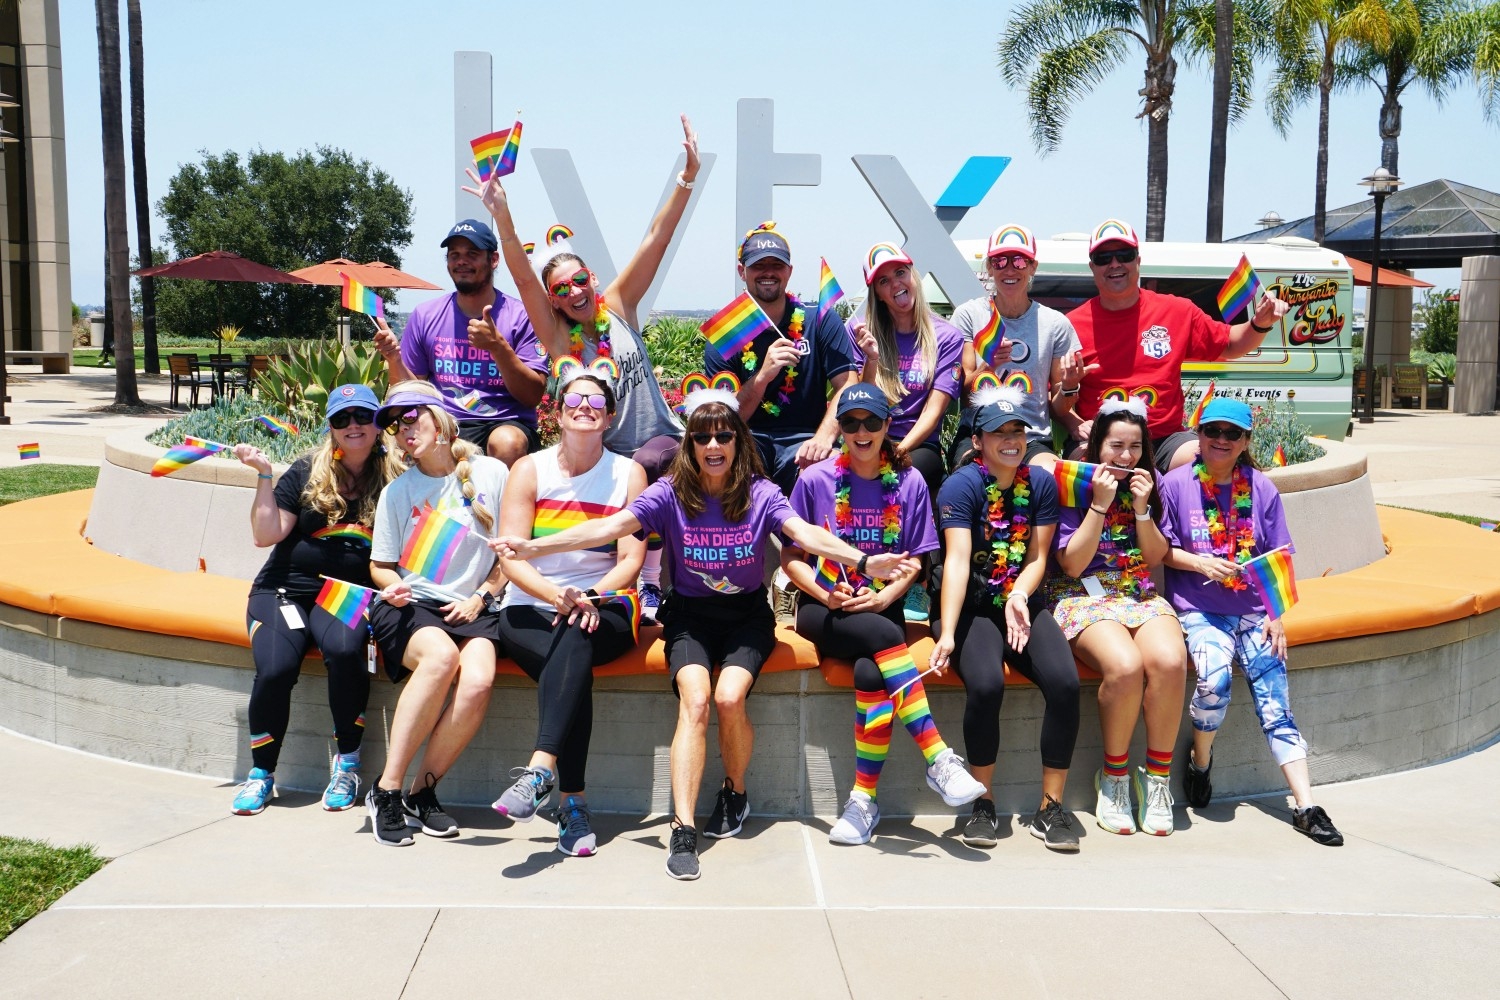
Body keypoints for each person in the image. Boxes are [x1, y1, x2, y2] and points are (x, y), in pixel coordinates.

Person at [489, 382, 918, 881]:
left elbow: (803, 534)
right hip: (689, 615)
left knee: (730, 697)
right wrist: (534, 548)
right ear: (690, 445)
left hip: (745, 618)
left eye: (722, 436)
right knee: (695, 699)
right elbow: (608, 528)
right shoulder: (670, 492)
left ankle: (735, 791)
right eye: (702, 438)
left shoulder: (760, 492)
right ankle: (683, 828)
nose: (713, 446)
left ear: (737, 441)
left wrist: (864, 559)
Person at [468, 114, 699, 622]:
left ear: (591, 277)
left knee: (660, 460)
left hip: (659, 437)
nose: (574, 292)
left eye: (579, 280)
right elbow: (523, 276)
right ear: (553, 300)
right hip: (606, 451)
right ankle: (643, 581)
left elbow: (656, 241)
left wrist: (687, 178)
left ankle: (658, 580)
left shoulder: (619, 305)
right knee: (640, 471)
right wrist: (501, 214)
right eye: (562, 289)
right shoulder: (556, 337)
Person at [783, 384, 985, 845]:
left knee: (872, 677)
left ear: (886, 427)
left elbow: (915, 560)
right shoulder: (816, 480)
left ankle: (862, 802)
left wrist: (886, 592)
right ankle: (937, 757)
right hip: (823, 608)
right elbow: (791, 557)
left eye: (871, 422)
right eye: (849, 422)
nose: (860, 431)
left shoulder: (910, 482)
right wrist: (824, 592)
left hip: (882, 608)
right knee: (878, 636)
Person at [1158, 398, 1343, 845]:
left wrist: (1277, 616)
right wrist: (1200, 563)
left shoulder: (1261, 489)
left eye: (1232, 434)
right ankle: (1201, 761)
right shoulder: (1175, 484)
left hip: (1255, 612)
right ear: (1198, 435)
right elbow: (1160, 548)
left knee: (1276, 705)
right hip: (1198, 609)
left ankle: (1305, 806)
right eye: (1213, 431)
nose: (1221, 440)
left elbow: (1277, 557)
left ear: (1245, 442)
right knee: (1213, 683)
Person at [491, 360, 648, 857]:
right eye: (574, 401)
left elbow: (632, 559)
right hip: (532, 604)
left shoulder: (629, 473)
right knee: (572, 655)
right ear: (557, 413)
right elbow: (512, 559)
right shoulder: (528, 469)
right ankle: (572, 805)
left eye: (596, 402)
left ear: (610, 415)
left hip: (606, 601)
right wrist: (554, 594)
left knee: (578, 632)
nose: (584, 408)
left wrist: (590, 596)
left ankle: (540, 771)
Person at [229, 384, 404, 815]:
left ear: (378, 422)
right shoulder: (308, 469)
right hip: (284, 588)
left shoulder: (397, 475)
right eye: (342, 419)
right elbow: (265, 535)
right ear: (331, 427)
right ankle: (261, 774)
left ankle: (347, 763)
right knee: (275, 667)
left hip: (347, 594)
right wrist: (265, 476)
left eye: (362, 416)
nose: (353, 426)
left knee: (346, 652)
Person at [928, 385, 1083, 851]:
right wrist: (949, 633)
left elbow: (1037, 556)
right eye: (1000, 433)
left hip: (1021, 601)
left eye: (1018, 430)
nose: (1012, 440)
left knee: (1065, 684)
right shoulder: (961, 485)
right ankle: (982, 803)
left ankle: (1049, 808)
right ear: (978, 441)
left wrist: (1019, 593)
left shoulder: (1040, 484)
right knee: (986, 685)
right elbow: (956, 562)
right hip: (970, 607)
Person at [363, 380, 510, 847]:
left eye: (412, 419)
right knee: (442, 659)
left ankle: (421, 792)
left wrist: (483, 596)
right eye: (395, 425)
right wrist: (395, 587)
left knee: (480, 679)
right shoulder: (398, 491)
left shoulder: (491, 474)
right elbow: (380, 566)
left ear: (441, 419)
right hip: (413, 605)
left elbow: (510, 555)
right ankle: (386, 790)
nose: (403, 431)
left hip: (474, 606)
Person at [1050, 398, 1186, 836]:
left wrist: (1143, 509)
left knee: (1169, 661)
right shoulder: (1074, 481)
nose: (1125, 457)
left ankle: (1158, 780)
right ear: (1096, 447)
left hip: (1135, 590)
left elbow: (1154, 557)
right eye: (1115, 446)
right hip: (1081, 595)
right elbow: (1071, 564)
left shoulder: (1152, 482)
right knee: (1125, 666)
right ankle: (1114, 779)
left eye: (1134, 446)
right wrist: (1100, 504)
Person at [1055, 219, 1289, 473]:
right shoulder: (1070, 324)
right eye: (1103, 258)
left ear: (1138, 260)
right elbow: (1055, 397)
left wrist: (1259, 323)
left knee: (1209, 461)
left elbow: (1232, 345)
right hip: (1102, 440)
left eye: (1124, 254)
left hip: (1166, 440)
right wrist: (1074, 423)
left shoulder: (1177, 310)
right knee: (1081, 475)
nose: (1115, 264)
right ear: (1092, 267)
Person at [373, 217, 548, 467]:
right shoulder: (425, 315)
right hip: (445, 422)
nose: (461, 261)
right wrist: (394, 359)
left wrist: (498, 348)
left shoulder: (521, 315)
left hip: (505, 421)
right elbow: (410, 393)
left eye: (472, 254)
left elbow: (532, 395)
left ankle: (504, 506)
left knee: (506, 442)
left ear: (494, 259)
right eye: (454, 255)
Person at [704, 221, 861, 497]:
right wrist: (762, 376)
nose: (768, 273)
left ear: (789, 271)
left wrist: (824, 437)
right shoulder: (726, 334)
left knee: (830, 470)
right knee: (723, 467)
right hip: (746, 439)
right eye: (758, 265)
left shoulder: (819, 320)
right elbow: (723, 420)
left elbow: (848, 384)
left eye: (776, 265)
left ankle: (817, 541)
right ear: (742, 271)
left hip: (804, 438)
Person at [948, 223, 1089, 470]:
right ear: (990, 268)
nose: (1010, 269)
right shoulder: (969, 315)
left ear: (1033, 266)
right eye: (1000, 261)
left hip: (1031, 436)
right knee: (966, 480)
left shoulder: (1055, 324)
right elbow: (965, 395)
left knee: (1049, 478)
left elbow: (1058, 408)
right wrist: (989, 365)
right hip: (978, 434)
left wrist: (1068, 387)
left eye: (1020, 261)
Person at [846, 242, 964, 499]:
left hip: (919, 444)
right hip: (867, 436)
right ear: (876, 293)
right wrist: (872, 360)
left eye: (900, 272)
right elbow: (862, 404)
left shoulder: (947, 336)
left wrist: (899, 450)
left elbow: (933, 413)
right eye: (884, 281)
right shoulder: (859, 331)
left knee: (895, 478)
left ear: (913, 275)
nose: (896, 284)